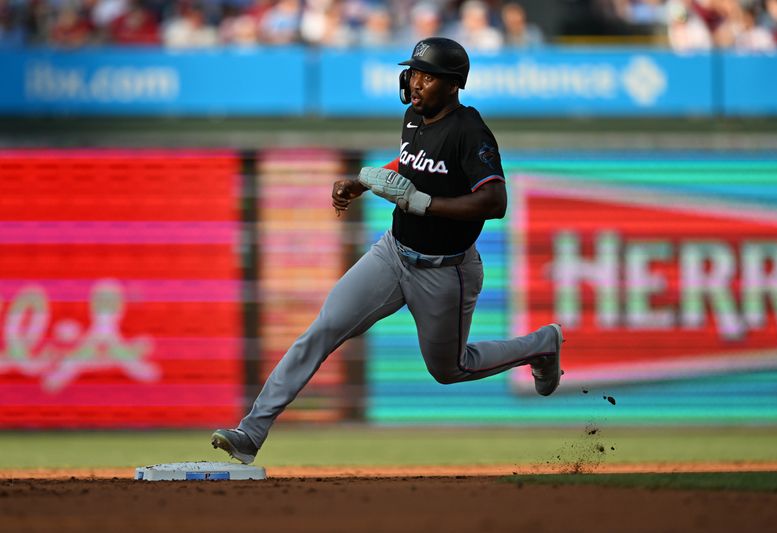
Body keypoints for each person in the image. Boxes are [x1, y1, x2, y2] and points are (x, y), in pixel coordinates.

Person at [211, 37, 564, 465]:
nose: (416, 83)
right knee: (321, 331)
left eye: (428, 76)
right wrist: (362, 181)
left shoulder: (469, 131)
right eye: (414, 72)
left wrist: (427, 204)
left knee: (449, 369)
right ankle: (252, 431)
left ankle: (541, 345)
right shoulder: (413, 118)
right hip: (393, 254)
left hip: (445, 270)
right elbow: (410, 165)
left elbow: (495, 202)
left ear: (453, 85)